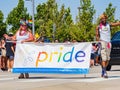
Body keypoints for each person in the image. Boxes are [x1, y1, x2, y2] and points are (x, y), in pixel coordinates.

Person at [96, 13, 120, 78]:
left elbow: (117, 24)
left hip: (109, 43)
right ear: (100, 19)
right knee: (103, 58)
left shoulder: (108, 24)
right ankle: (105, 72)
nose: (103, 19)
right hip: (103, 42)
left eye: (105, 18)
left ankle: (103, 71)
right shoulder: (98, 27)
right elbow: (97, 36)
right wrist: (99, 42)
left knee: (108, 59)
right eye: (102, 18)